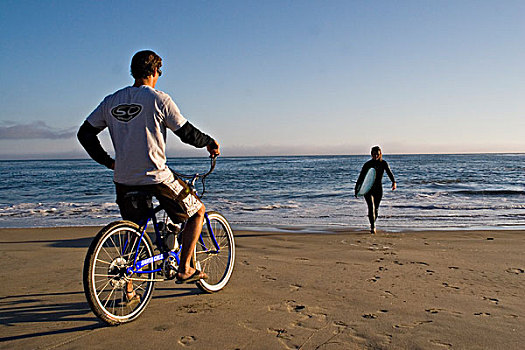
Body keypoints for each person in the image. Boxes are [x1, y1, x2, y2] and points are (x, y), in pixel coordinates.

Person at [77, 50, 220, 295]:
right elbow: (185, 133)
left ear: (133, 71)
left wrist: (108, 161)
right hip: (156, 177)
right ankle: (185, 267)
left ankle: (129, 287)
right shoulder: (159, 99)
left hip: (123, 178)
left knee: (134, 229)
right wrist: (209, 142)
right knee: (198, 212)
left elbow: (85, 134)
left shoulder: (111, 101)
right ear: (155, 72)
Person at [355, 146, 396, 233]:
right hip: (368, 188)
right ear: (371, 154)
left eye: (377, 154)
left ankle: (372, 222)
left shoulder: (383, 163)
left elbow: (389, 172)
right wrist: (357, 189)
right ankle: (373, 227)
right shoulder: (367, 164)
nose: (375, 156)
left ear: (380, 154)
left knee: (376, 209)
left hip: (378, 188)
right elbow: (361, 177)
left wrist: (393, 182)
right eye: (374, 154)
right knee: (371, 207)